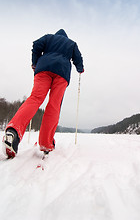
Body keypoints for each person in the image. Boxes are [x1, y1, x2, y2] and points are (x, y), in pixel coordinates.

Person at [3, 29, 84, 158]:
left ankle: (13, 130)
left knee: (35, 98)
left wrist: (35, 63)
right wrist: (80, 68)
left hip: (43, 68)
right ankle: (46, 142)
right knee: (54, 105)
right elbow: (78, 59)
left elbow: (36, 45)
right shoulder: (71, 44)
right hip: (62, 73)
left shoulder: (48, 38)